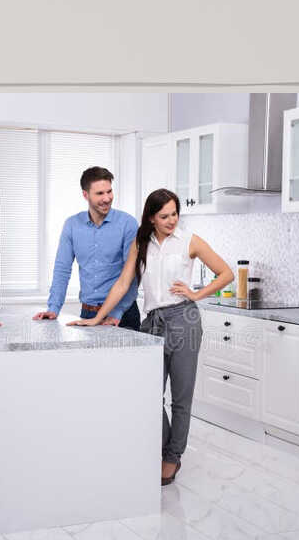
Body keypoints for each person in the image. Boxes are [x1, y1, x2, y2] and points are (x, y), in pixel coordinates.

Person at [78, 188, 232, 485]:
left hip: (184, 320)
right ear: (151, 217)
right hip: (153, 323)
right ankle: (163, 450)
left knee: (181, 398)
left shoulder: (190, 241)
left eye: (175, 214)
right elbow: (124, 283)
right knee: (149, 394)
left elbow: (225, 273)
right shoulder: (141, 243)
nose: (171, 220)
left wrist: (197, 294)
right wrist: (97, 317)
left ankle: (172, 458)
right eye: (164, 216)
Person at [34, 166, 140, 330]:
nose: (107, 198)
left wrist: (116, 313)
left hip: (122, 315)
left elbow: (132, 276)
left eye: (109, 191)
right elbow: (62, 269)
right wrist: (53, 309)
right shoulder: (72, 225)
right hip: (88, 312)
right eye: (99, 193)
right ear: (85, 194)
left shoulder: (128, 224)